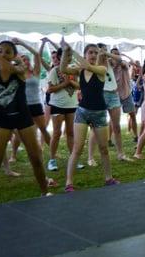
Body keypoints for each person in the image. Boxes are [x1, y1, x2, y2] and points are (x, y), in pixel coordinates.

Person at [0, 36, 49, 205]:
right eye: (0, 51)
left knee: (36, 159)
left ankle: (45, 193)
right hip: (0, 118)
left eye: (8, 52)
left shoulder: (21, 69)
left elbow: (9, 67)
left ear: (15, 55)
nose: (3, 54)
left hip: (22, 117)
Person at [61, 42, 118, 192]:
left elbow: (87, 66)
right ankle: (69, 183)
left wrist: (71, 51)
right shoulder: (80, 69)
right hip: (82, 111)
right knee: (77, 148)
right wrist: (65, 53)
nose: (93, 55)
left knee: (104, 148)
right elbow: (62, 69)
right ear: (85, 54)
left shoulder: (101, 69)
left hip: (99, 113)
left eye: (95, 52)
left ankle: (108, 178)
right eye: (90, 52)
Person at [96, 43, 131, 162]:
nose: (104, 52)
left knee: (116, 126)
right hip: (102, 95)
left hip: (114, 95)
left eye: (105, 50)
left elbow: (120, 59)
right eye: (102, 50)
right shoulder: (95, 64)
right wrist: (100, 55)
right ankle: (91, 157)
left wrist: (106, 53)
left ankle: (120, 153)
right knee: (99, 126)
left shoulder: (110, 61)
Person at [46, 46, 80, 171]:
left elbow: (78, 86)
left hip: (72, 105)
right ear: (60, 57)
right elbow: (50, 89)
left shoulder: (74, 70)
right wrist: (64, 84)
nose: (70, 58)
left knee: (71, 133)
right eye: (67, 56)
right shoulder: (54, 71)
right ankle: (52, 160)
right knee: (56, 133)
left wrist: (71, 83)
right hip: (57, 105)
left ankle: (73, 159)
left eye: (70, 56)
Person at [109, 48, 139, 146]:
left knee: (133, 115)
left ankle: (136, 136)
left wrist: (123, 56)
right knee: (113, 119)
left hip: (126, 94)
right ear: (111, 55)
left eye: (118, 54)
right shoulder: (109, 67)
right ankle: (109, 139)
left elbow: (126, 63)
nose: (117, 56)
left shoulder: (124, 63)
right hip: (115, 95)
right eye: (115, 54)